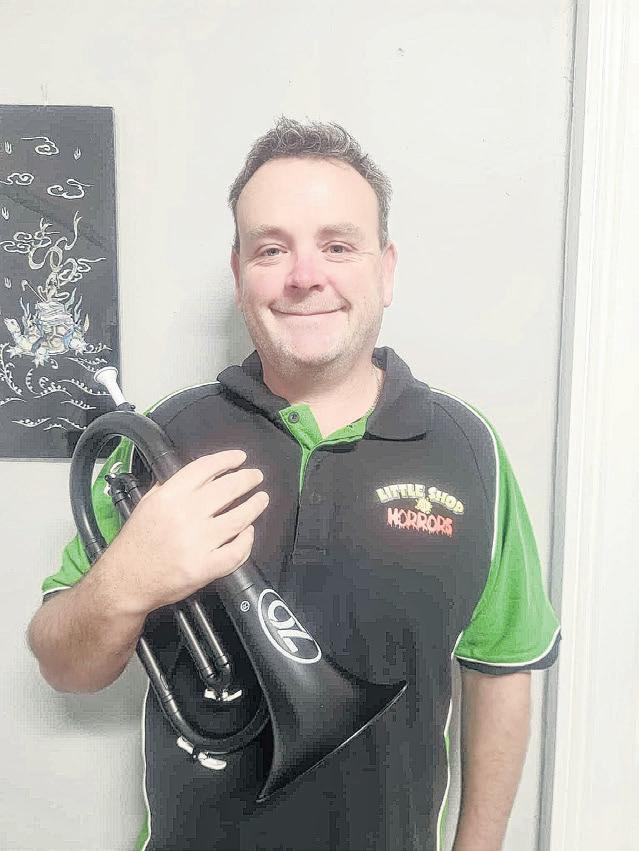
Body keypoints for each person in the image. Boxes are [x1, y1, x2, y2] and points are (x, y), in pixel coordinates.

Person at [27, 116, 561, 851]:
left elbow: (499, 668)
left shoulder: (468, 449)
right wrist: (127, 579)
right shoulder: (163, 437)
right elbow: (64, 665)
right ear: (239, 274)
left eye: (338, 246)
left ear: (386, 270)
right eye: (271, 249)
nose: (305, 275)